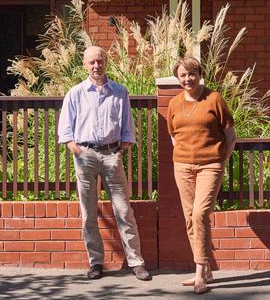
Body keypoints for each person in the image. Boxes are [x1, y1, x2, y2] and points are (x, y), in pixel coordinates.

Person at [57, 45, 151, 281]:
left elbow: (127, 127)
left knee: (123, 210)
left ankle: (136, 262)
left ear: (106, 62)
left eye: (100, 61)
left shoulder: (120, 91)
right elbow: (65, 128)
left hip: (112, 155)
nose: (96, 66)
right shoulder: (75, 93)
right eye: (92, 62)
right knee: (88, 213)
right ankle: (96, 262)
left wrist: (121, 150)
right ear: (84, 64)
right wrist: (73, 148)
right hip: (85, 155)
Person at [166, 57, 237, 294]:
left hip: (211, 165)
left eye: (192, 74)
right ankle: (206, 269)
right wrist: (185, 153)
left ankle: (199, 273)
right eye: (183, 75)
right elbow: (174, 135)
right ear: (178, 78)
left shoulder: (214, 99)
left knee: (200, 213)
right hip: (183, 165)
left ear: (199, 74)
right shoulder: (174, 103)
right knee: (189, 216)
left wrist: (220, 159)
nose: (188, 79)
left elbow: (230, 135)